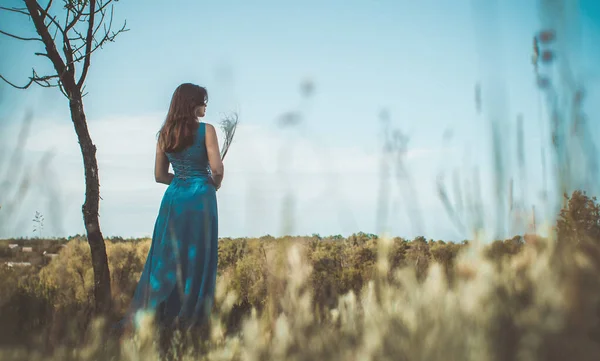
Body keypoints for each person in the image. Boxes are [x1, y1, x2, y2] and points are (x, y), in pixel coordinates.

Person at [115, 83, 224, 337]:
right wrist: (211, 184)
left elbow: (159, 175)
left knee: (167, 256)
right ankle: (191, 319)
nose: (205, 106)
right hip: (201, 199)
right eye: (202, 101)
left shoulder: (164, 134)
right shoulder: (207, 130)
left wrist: (181, 178)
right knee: (197, 258)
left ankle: (156, 314)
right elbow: (217, 169)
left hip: (174, 200)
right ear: (191, 103)